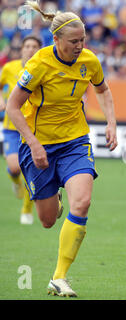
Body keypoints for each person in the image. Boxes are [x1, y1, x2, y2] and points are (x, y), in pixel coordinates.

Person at [6, 0, 117, 297]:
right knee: (47, 220)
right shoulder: (39, 64)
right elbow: (14, 107)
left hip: (75, 141)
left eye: (83, 40)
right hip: (38, 144)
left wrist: (111, 123)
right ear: (56, 40)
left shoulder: (90, 61)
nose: (80, 46)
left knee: (81, 203)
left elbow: (103, 90)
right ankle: (52, 194)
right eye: (74, 41)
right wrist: (32, 142)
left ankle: (59, 276)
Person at [0, 35, 42, 225]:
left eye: (35, 46)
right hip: (11, 127)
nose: (30, 49)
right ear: (22, 49)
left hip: (33, 129)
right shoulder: (10, 68)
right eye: (27, 46)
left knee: (31, 171)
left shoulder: (43, 69)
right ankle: (16, 183)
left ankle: (27, 209)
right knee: (14, 167)